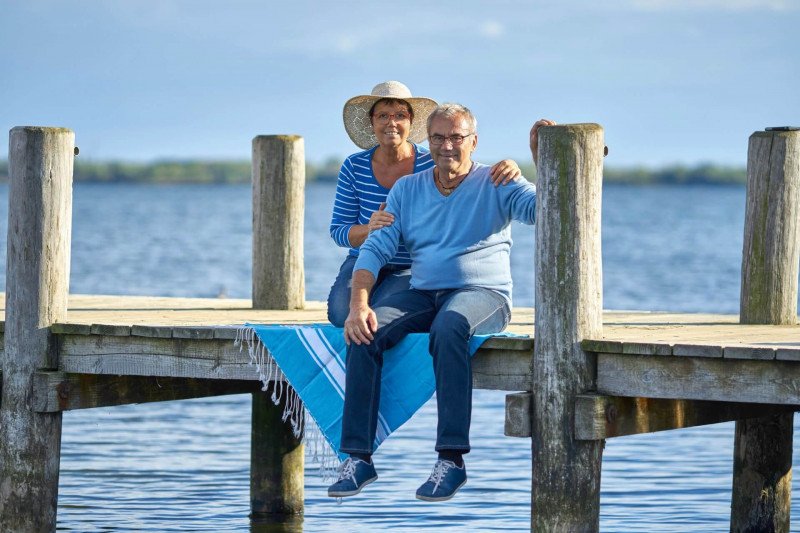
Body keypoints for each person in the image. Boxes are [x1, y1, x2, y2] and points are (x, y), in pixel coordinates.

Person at [327, 104, 550, 502]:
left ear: (473, 141)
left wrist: (540, 162)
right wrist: (359, 303)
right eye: (438, 138)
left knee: (449, 327)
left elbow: (544, 211)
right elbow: (375, 250)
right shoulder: (408, 189)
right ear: (427, 142)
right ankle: (358, 458)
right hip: (425, 291)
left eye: (457, 137)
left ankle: (451, 460)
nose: (448, 146)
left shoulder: (497, 181)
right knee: (364, 330)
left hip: (483, 295)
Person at [327, 81, 523, 327]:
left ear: (410, 122)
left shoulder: (431, 161)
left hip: (412, 263)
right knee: (339, 314)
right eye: (383, 116)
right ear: (372, 122)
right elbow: (339, 231)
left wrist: (509, 165)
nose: (392, 123)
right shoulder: (353, 166)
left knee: (378, 316)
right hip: (364, 257)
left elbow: (465, 170)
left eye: (400, 115)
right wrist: (370, 229)